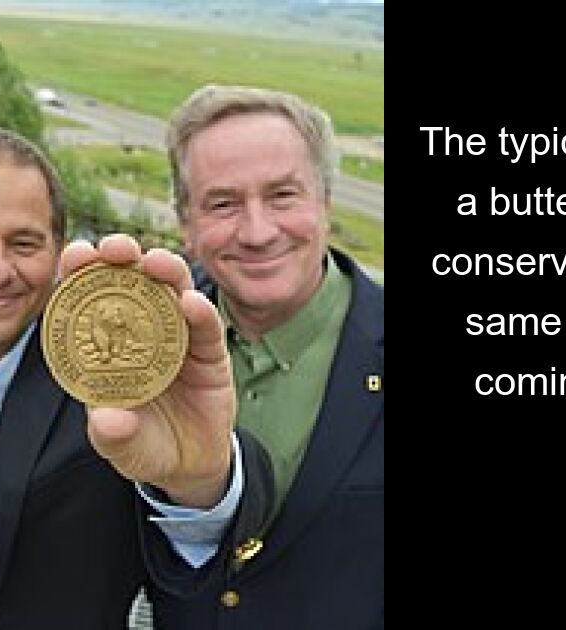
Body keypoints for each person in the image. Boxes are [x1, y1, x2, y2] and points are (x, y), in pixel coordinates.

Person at [0, 128, 262, 629]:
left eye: (24, 242)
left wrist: (199, 489)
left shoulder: (117, 401)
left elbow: (199, 576)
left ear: (57, 251)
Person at [142, 85, 384, 629]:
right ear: (186, 223)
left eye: (282, 196)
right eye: (222, 203)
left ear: (325, 200)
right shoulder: (145, 335)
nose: (257, 232)